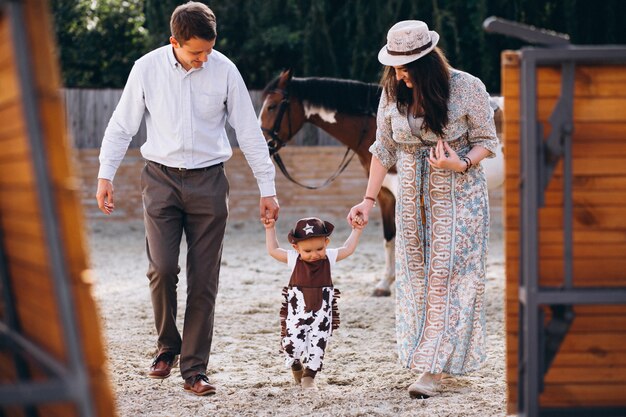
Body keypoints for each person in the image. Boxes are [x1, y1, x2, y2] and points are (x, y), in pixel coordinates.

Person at [95, 1, 279, 396]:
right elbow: (121, 125)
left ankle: (194, 368)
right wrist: (104, 174)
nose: (203, 59)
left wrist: (268, 188)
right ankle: (167, 346)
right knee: (161, 269)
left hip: (210, 182)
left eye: (209, 51)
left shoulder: (225, 70)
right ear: (174, 41)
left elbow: (248, 132)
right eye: (196, 52)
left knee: (204, 279)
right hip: (159, 180)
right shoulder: (146, 69)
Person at [347, 20, 499, 399]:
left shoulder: (467, 87)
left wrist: (459, 163)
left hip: (460, 198)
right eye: (395, 65)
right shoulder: (392, 91)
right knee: (415, 278)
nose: (399, 73)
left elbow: (486, 141)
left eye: (407, 66)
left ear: (428, 61)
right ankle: (429, 356)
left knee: (447, 279)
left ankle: (431, 369)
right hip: (411, 200)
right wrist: (367, 200)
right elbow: (383, 149)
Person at [263, 216, 363, 390]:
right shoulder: (294, 258)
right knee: (290, 343)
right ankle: (295, 365)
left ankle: (309, 377)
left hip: (322, 314)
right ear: (296, 248)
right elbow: (273, 250)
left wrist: (357, 230)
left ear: (326, 242)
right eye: (307, 251)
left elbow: (348, 249)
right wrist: (270, 228)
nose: (314, 255)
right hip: (297, 312)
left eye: (319, 248)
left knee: (319, 344)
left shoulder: (329, 257)